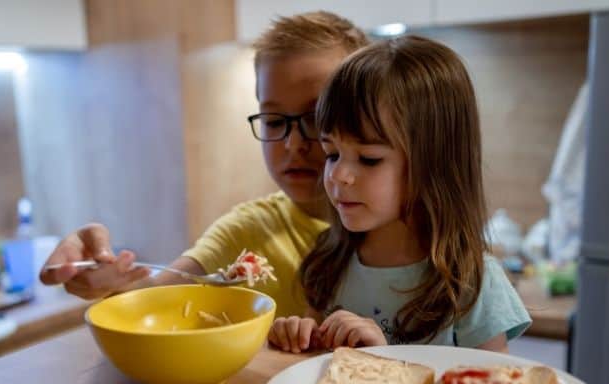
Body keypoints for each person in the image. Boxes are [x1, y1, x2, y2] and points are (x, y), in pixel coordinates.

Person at [39, 11, 369, 318]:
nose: (292, 144)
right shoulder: (248, 231)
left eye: (314, 118)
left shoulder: (408, 228)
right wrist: (108, 279)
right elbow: (155, 296)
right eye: (272, 120)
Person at [268, 36, 531, 353]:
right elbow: (318, 365)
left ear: (434, 164)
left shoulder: (472, 282)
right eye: (332, 153)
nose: (338, 174)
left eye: (369, 159)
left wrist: (385, 359)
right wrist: (301, 337)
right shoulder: (330, 258)